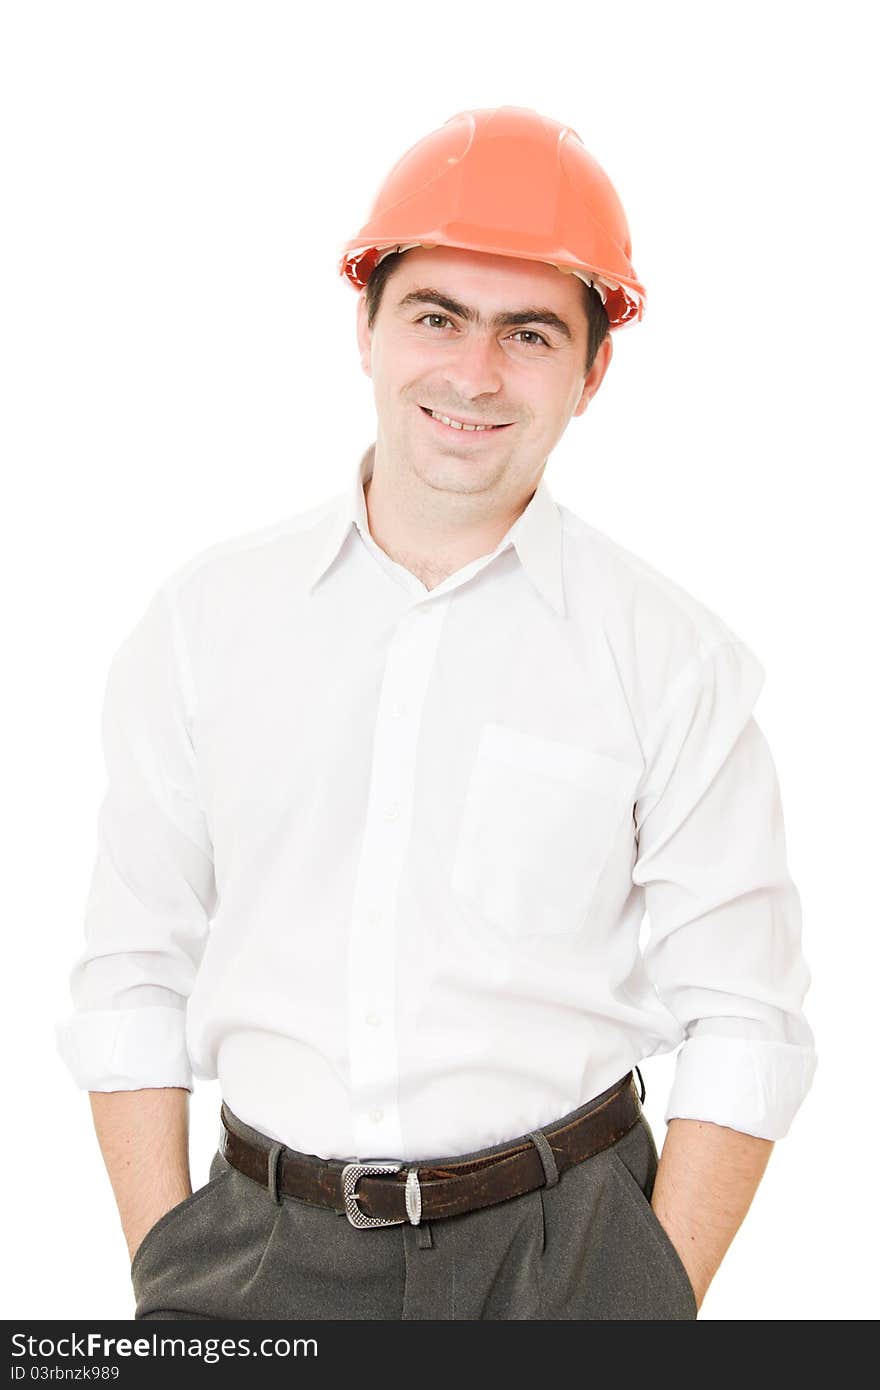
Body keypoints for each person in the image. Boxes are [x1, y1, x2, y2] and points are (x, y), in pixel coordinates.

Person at [55, 104, 818, 1321]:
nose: (472, 374)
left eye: (527, 332)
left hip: (565, 1252)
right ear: (365, 327)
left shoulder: (673, 658)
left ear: (592, 369)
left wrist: (645, 1298)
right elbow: (130, 974)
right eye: (435, 317)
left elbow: (747, 1017)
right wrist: (168, 1270)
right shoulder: (205, 623)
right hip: (254, 1249)